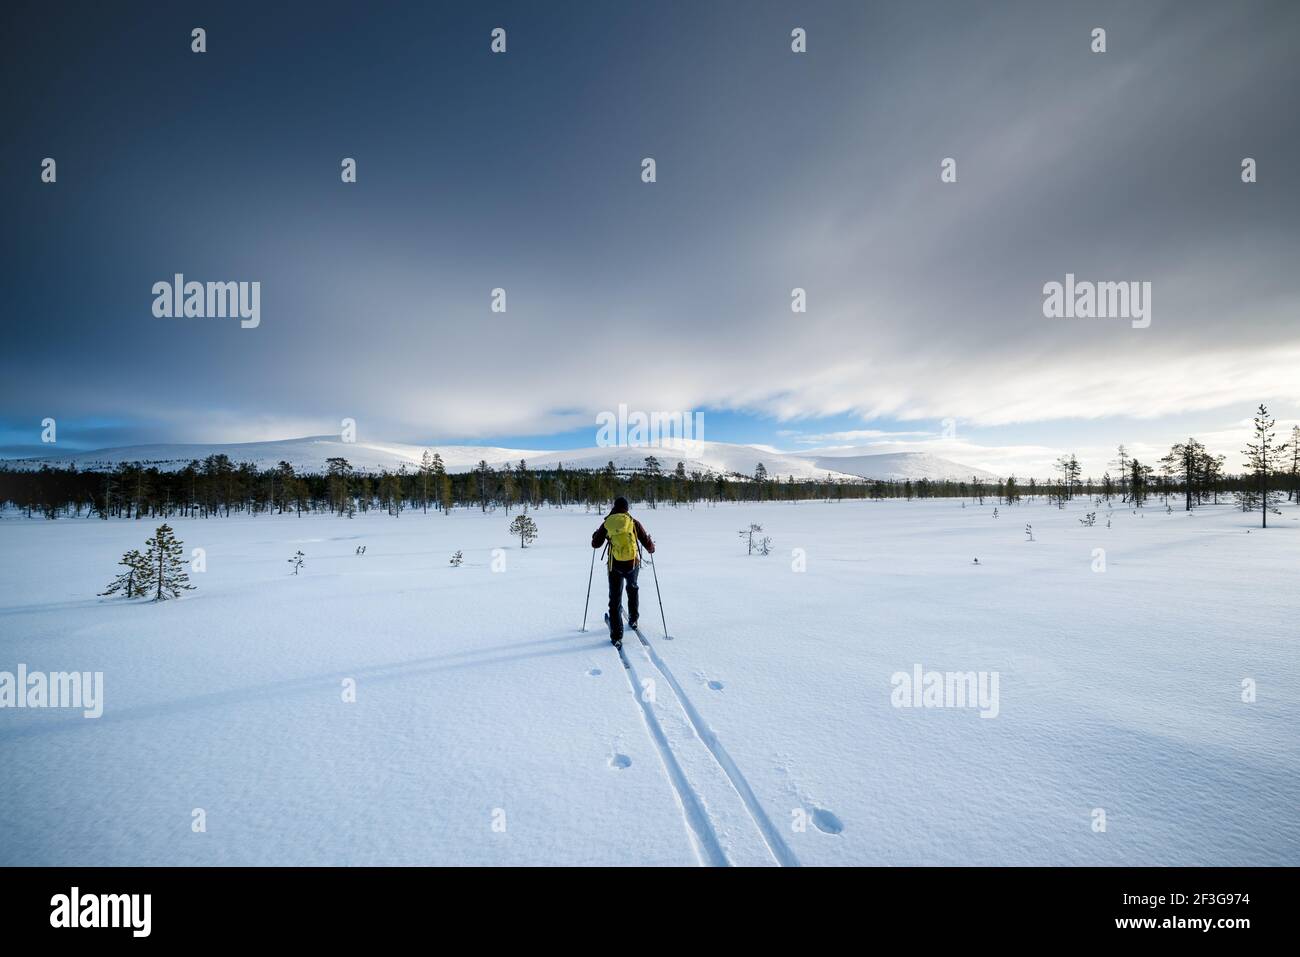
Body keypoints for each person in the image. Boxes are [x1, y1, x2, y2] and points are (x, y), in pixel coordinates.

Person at [590, 497, 654, 646]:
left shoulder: (608, 523)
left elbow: (595, 544)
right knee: (632, 589)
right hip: (632, 564)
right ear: (627, 508)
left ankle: (617, 635)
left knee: (615, 599)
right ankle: (633, 619)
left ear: (614, 507)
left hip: (614, 566)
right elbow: (647, 544)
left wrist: (595, 535)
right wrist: (652, 546)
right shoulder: (633, 522)